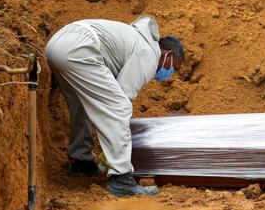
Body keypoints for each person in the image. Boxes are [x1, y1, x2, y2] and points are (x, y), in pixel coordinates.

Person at [45, 16, 184, 197]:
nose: (170, 73)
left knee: (82, 105)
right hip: (81, 48)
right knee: (120, 107)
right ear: (168, 55)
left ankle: (82, 161)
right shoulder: (150, 53)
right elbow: (122, 98)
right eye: (173, 67)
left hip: (57, 44)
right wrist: (114, 146)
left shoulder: (136, 38)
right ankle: (121, 179)